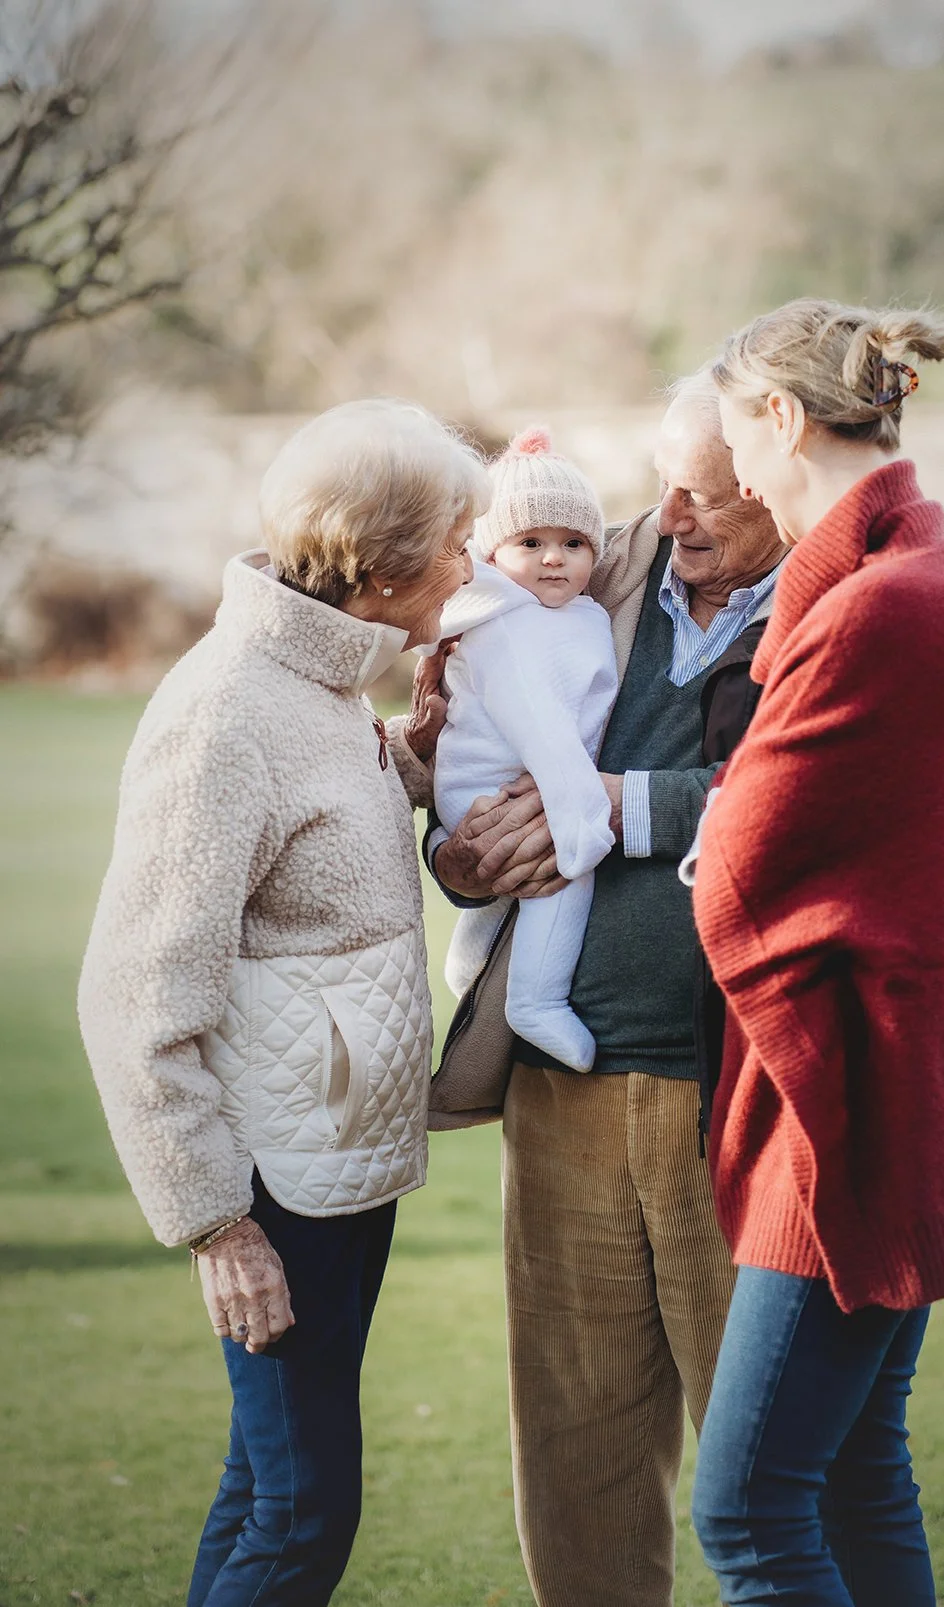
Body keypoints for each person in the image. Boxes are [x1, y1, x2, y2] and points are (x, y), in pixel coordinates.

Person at [77, 398, 488, 1607]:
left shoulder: (321, 686)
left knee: (264, 1490)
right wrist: (216, 1224)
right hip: (269, 1189)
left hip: (340, 1162)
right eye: (458, 540)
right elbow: (133, 995)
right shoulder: (222, 714)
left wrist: (416, 758)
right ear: (385, 563)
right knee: (305, 1512)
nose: (471, 562)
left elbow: (319, 845)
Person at [685, 298, 944, 1607]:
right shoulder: (926, 575)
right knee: (852, 1472)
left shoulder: (882, 609)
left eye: (736, 439)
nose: (731, 477)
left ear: (781, 418)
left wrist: (697, 835)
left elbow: (737, 872)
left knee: (747, 1509)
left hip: (851, 1113)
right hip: (911, 1086)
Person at [428, 376, 785, 1607]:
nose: (668, 513)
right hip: (564, 1085)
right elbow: (469, 747)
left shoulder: (829, 607)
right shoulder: (598, 565)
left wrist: (622, 807)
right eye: (664, 478)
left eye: (707, 491)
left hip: (732, 1095)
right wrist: (457, 847)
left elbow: (785, 794)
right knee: (576, 1445)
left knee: (764, 1466)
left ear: (781, 481)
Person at [432, 426, 618, 1071]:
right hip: (491, 791)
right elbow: (543, 731)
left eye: (573, 543)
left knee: (526, 872)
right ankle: (535, 1001)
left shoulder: (579, 616)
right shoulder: (506, 627)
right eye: (529, 543)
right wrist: (583, 825)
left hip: (535, 774)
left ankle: (469, 964)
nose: (553, 559)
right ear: (489, 552)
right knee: (560, 869)